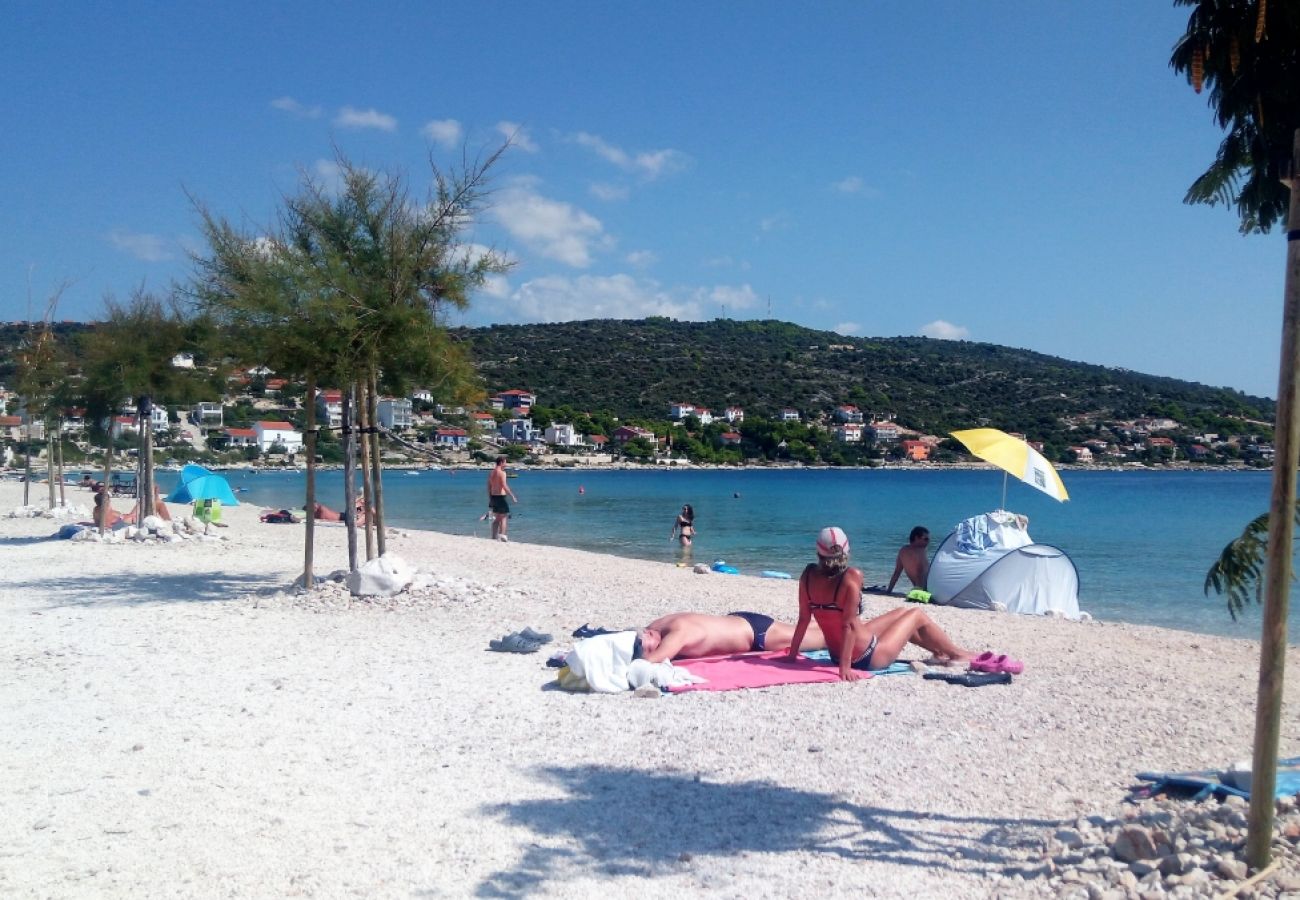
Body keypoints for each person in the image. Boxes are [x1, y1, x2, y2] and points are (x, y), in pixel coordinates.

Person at [786, 526, 976, 681]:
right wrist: (845, 668)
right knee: (916, 615)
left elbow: (804, 619)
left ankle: (940, 652)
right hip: (867, 656)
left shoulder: (808, 575)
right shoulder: (851, 577)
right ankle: (957, 654)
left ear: (818, 552)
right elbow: (848, 625)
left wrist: (792, 656)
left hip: (837, 653)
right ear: (846, 550)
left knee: (902, 612)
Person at [637, 611, 826, 663]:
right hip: (740, 622)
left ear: (648, 635)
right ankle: (844, 619)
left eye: (648, 646)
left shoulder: (678, 633)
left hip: (758, 635)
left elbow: (650, 660)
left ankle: (851, 627)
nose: (653, 648)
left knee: (825, 639)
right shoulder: (656, 626)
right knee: (803, 629)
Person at [886, 526, 931, 594]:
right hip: (927, 590)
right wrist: (920, 592)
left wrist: (889, 591)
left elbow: (897, 573)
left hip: (918, 589)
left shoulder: (903, 551)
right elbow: (920, 573)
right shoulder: (921, 551)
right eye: (926, 539)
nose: (928, 542)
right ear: (916, 538)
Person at [487, 455, 518, 542]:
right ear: (501, 463)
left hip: (493, 497)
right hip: (501, 497)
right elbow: (504, 485)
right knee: (504, 517)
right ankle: (502, 535)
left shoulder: (491, 473)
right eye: (505, 462)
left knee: (497, 518)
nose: (506, 464)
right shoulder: (502, 473)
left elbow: (489, 486)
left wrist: (490, 498)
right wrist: (512, 496)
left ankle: (493, 537)